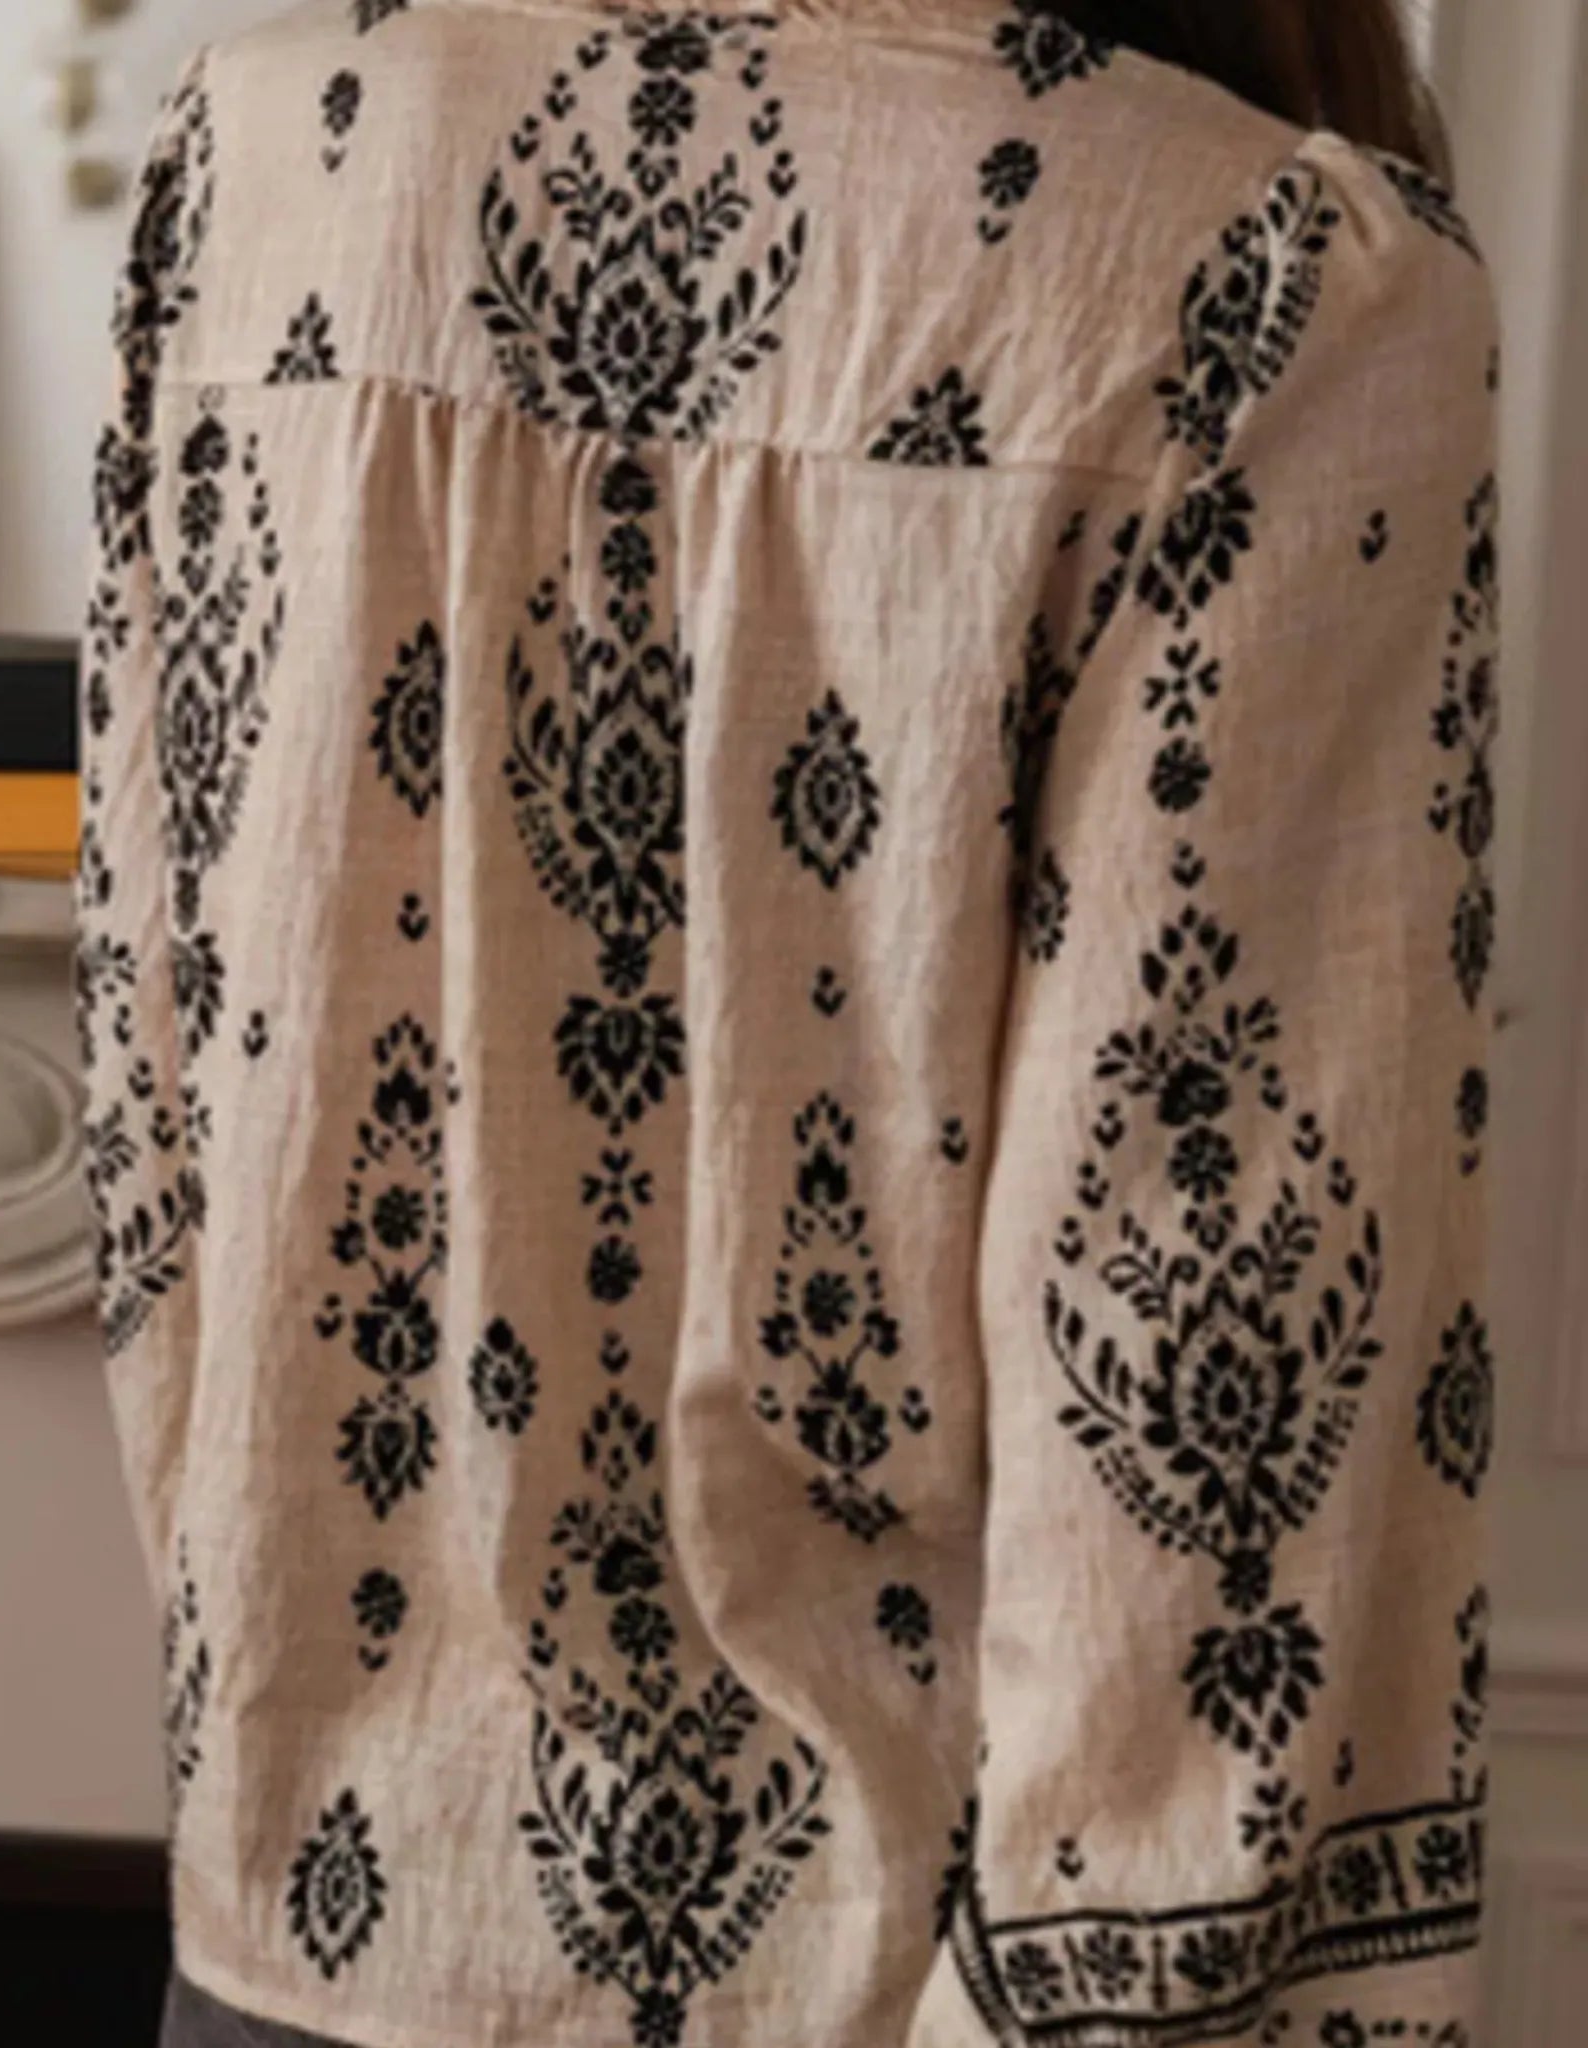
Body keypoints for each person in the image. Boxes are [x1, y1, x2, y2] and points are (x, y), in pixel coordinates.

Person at [76, 2, 1499, 2043]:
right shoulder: (1269, 279)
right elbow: (1214, 1381)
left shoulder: (258, 163)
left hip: (296, 1927)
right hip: (905, 1971)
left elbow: (151, 1121)